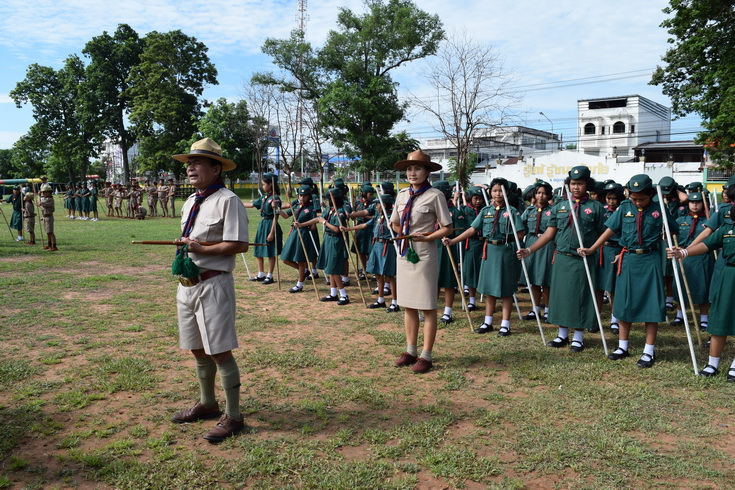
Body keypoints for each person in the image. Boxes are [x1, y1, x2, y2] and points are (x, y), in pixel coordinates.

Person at [170, 138, 250, 442]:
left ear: (216, 169)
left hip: (213, 283)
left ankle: (234, 416)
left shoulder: (228, 200)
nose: (190, 168)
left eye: (197, 163)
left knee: (219, 350)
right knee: (196, 347)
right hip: (187, 284)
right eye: (188, 163)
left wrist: (203, 248)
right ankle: (207, 403)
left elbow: (239, 244)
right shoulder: (192, 200)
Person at [579, 174, 678, 368]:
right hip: (629, 259)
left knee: (651, 305)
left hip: (650, 259)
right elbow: (610, 230)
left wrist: (665, 236)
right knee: (624, 303)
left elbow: (672, 229)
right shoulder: (625, 207)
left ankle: (648, 351)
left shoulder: (659, 209)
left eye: (642, 199)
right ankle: (622, 346)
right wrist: (593, 248)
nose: (638, 202)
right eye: (634, 198)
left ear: (650, 194)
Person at [517, 166, 606, 353]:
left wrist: (593, 249)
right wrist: (529, 250)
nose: (576, 187)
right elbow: (549, 234)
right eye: (573, 184)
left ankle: (578, 337)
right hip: (562, 258)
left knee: (581, 297)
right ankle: (562, 334)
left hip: (583, 260)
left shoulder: (595, 208)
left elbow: (603, 234)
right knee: (561, 297)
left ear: (587, 185)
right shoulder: (560, 207)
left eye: (580, 184)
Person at [390, 150, 452, 374]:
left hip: (425, 254)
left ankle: (426, 355)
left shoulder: (435, 195)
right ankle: (410, 351)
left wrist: (427, 237)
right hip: (405, 253)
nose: (412, 173)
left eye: (417, 168)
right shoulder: (402, 195)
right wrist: (403, 233)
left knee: (427, 306)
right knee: (408, 304)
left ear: (427, 172)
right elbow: (395, 223)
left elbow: (447, 227)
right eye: (409, 169)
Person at [669, 184, 735, 378]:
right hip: (729, 276)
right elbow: (707, 244)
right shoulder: (727, 228)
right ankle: (712, 364)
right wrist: (684, 252)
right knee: (719, 319)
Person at [446, 178, 525, 336]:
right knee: (489, 288)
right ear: (490, 192)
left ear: (507, 193)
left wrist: (511, 242)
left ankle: (505, 324)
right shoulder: (486, 211)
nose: (498, 194)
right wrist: (453, 240)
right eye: (495, 190)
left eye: (501, 191)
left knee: (506, 289)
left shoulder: (512, 211)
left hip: (505, 252)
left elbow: (521, 233)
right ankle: (487, 322)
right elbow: (472, 229)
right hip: (489, 251)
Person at [670, 192, 713, 329]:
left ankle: (704, 318)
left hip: (702, 258)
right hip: (683, 257)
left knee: (702, 287)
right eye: (692, 202)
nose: (695, 205)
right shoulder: (680, 220)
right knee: (681, 286)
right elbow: (673, 237)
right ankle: (680, 315)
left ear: (703, 203)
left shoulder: (708, 222)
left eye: (698, 202)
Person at [520, 181, 555, 322]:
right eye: (538, 193)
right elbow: (520, 226)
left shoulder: (553, 210)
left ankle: (548, 310)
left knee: (545, 279)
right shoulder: (529, 211)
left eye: (544, 193)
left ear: (549, 195)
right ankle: (535, 309)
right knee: (533, 279)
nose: (541, 196)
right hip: (531, 243)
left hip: (547, 245)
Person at [597, 182, 625, 334]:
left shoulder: (623, 211)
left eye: (614, 198)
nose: (611, 201)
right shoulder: (601, 211)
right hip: (602, 250)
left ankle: (615, 319)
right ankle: (596, 317)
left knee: (614, 287)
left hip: (617, 249)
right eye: (608, 198)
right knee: (599, 286)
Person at [279, 185, 319, 293]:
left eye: (304, 196)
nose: (302, 198)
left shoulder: (311, 209)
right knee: (285, 259)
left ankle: (299, 285)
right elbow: (285, 215)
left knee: (301, 260)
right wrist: (277, 209)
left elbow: (314, 226)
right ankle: (304, 271)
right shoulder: (296, 206)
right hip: (294, 234)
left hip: (304, 235)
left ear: (308, 196)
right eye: (300, 195)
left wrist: (302, 225)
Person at [244, 173, 282, 284]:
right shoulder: (265, 197)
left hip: (271, 224)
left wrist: (272, 233)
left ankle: (270, 276)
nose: (262, 186)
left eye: (264, 184)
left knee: (270, 250)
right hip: (263, 224)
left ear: (271, 184)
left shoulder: (275, 198)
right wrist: (236, 202)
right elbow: (252, 205)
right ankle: (261, 274)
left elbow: (276, 216)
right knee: (259, 248)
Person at [38, 184, 57, 251]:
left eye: (45, 192)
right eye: (43, 192)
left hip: (49, 217)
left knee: (50, 232)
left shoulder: (49, 199)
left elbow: (40, 203)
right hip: (45, 217)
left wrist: (39, 196)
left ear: (49, 192)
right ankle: (49, 245)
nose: (44, 194)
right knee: (47, 232)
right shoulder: (46, 199)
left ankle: (54, 246)